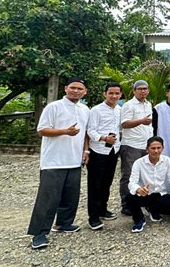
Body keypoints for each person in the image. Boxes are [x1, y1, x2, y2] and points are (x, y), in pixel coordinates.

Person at [28, 78, 90, 249]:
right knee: (48, 198)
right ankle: (39, 233)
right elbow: (42, 130)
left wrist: (86, 151)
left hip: (74, 159)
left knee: (71, 196)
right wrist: (64, 132)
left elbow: (85, 133)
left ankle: (63, 223)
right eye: (73, 88)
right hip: (54, 161)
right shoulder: (53, 107)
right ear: (65, 89)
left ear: (85, 92)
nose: (76, 91)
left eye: (80, 89)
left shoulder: (85, 109)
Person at [127, 137, 170, 233]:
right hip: (144, 194)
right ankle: (139, 219)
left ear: (163, 148)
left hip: (159, 194)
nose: (156, 151)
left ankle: (152, 209)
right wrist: (139, 189)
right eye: (153, 148)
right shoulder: (138, 163)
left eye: (159, 148)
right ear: (147, 149)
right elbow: (132, 182)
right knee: (129, 197)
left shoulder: (166, 160)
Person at [86, 82, 122, 230]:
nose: (114, 96)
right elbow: (90, 131)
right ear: (105, 94)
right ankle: (93, 217)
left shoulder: (120, 110)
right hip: (98, 151)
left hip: (113, 151)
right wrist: (103, 138)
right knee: (95, 184)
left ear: (120, 95)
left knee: (107, 182)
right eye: (111, 93)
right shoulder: (96, 110)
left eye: (117, 93)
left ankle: (103, 209)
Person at [119, 79, 153, 215]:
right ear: (134, 91)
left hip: (145, 145)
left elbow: (149, 125)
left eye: (145, 89)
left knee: (144, 175)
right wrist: (141, 121)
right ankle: (126, 204)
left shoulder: (148, 104)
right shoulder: (128, 105)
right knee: (128, 175)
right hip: (131, 145)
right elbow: (124, 124)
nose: (143, 91)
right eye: (140, 89)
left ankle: (142, 202)